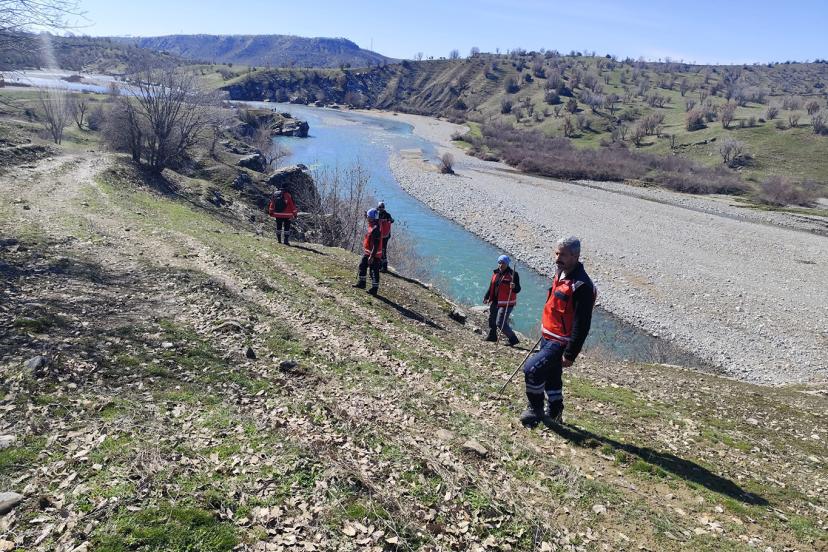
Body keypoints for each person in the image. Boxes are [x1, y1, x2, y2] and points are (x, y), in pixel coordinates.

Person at [520, 237, 596, 427]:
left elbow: (582, 324)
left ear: (575, 256)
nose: (557, 258)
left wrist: (570, 354)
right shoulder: (561, 273)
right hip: (548, 335)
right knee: (552, 376)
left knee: (532, 369)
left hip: (560, 341)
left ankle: (535, 409)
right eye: (556, 253)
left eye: (563, 254)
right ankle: (555, 412)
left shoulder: (582, 286)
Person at [483, 255, 521, 346]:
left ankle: (513, 339)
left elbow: (518, 289)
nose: (501, 265)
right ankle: (492, 336)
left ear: (507, 264)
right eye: (499, 263)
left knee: (500, 323)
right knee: (491, 319)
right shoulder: (496, 273)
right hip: (495, 300)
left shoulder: (513, 274)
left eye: (503, 263)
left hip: (506, 302)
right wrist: (486, 297)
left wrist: (514, 287)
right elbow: (491, 286)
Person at [353, 208, 383, 296]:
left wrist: (371, 257)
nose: (367, 218)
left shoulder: (376, 229)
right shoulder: (373, 224)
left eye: (369, 217)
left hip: (374, 254)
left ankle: (374, 289)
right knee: (362, 265)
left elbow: (376, 245)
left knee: (374, 271)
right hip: (368, 253)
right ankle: (362, 283)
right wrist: (366, 214)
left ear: (373, 218)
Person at [377, 201, 394, 272]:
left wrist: (386, 220)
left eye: (382, 207)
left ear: (384, 208)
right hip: (378, 235)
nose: (381, 208)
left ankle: (384, 267)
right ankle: (379, 265)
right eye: (380, 207)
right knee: (378, 249)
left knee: (383, 250)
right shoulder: (376, 213)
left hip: (385, 236)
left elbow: (392, 220)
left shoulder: (387, 215)